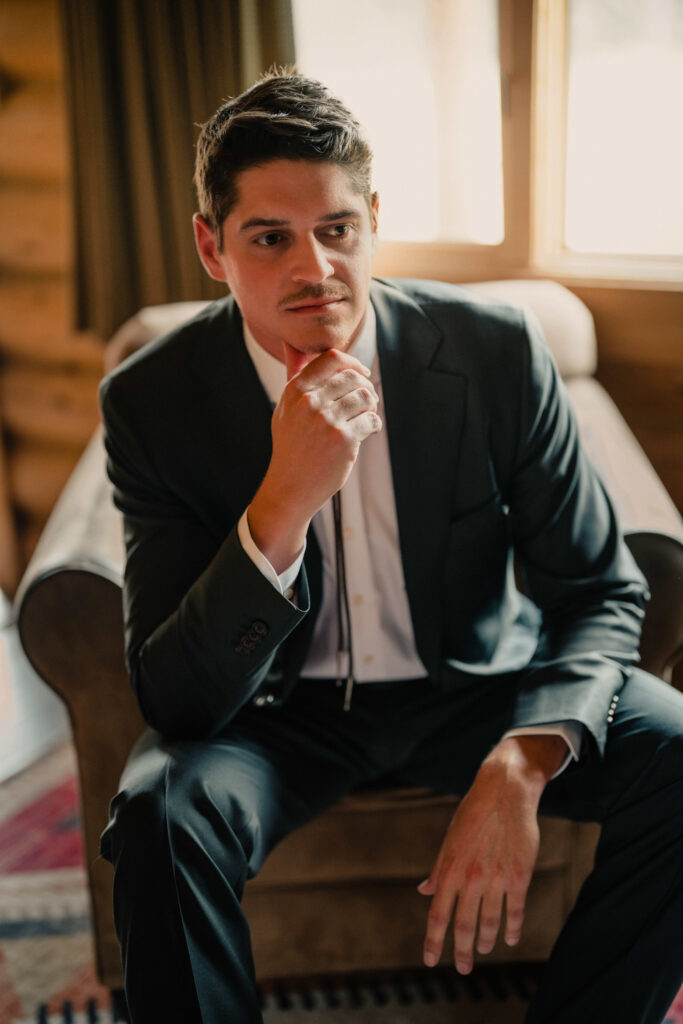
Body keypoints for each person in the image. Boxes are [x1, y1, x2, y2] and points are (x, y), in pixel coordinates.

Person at [99, 69, 683, 1023]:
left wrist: (524, 755)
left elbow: (597, 589)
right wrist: (282, 501)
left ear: (372, 219)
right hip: (276, 718)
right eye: (270, 237)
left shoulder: (495, 351)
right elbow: (175, 700)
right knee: (158, 810)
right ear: (211, 246)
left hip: (476, 690)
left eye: (336, 229)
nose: (315, 268)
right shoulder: (151, 399)